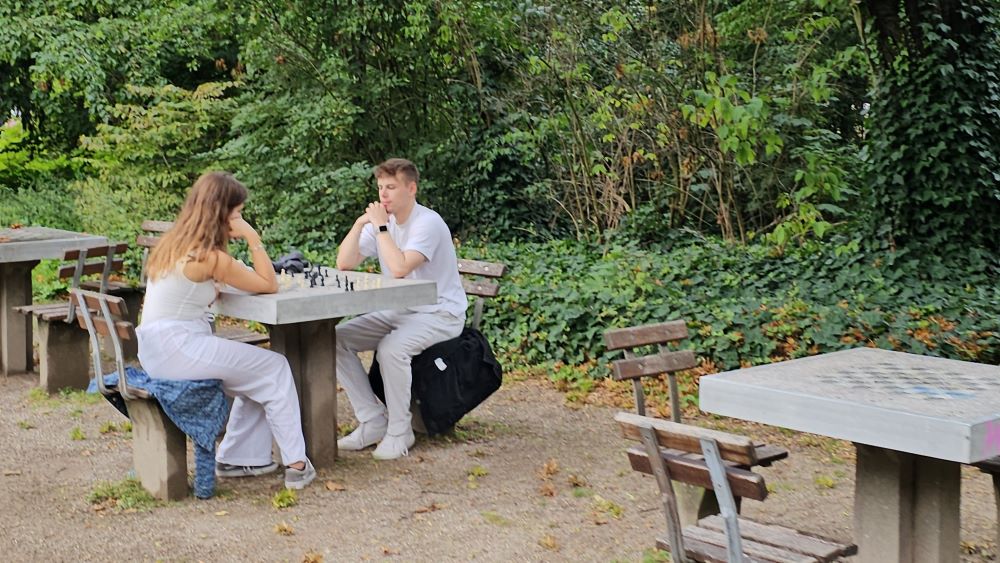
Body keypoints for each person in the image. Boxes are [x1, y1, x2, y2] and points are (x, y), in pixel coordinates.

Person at [136, 171, 316, 489]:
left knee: (255, 374)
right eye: (238, 213)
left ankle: (238, 457)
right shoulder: (209, 256)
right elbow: (268, 284)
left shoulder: (174, 244)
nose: (240, 218)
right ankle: (297, 465)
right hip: (179, 349)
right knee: (274, 368)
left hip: (157, 348)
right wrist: (252, 237)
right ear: (222, 212)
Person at [335, 158, 467, 460]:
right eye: (380, 187)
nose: (384, 195)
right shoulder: (386, 223)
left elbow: (399, 268)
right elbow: (345, 262)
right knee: (334, 339)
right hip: (399, 311)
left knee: (392, 349)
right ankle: (373, 421)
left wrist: (380, 227)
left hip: (440, 314)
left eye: (391, 187)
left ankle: (400, 431)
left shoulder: (427, 223)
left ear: (411, 188)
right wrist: (360, 224)